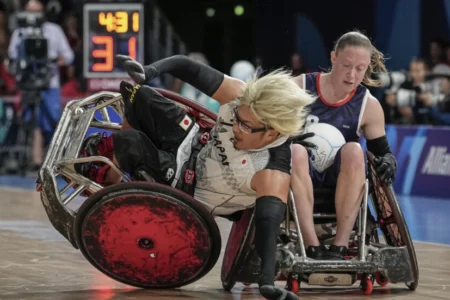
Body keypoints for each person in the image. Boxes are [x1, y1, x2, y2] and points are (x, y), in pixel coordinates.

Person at [74, 54, 315, 300]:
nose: (235, 127)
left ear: (271, 133)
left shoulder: (271, 172)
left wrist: (266, 283)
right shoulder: (240, 96)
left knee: (129, 143)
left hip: (188, 187)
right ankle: (118, 169)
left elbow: (267, 229)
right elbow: (186, 66)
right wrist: (149, 71)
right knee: (139, 94)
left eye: (244, 125)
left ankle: (108, 188)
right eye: (237, 118)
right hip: (192, 140)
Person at [290, 31, 398, 260]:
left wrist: (388, 161)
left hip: (342, 179)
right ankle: (311, 245)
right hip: (299, 172)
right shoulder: (299, 87)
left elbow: (382, 153)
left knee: (355, 150)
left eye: (360, 68)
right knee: (295, 151)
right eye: (347, 65)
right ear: (333, 58)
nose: (352, 75)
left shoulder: (369, 105)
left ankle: (339, 246)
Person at [8, 0, 74, 167]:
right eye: (30, 11)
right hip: (28, 82)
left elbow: (69, 55)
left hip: (49, 82)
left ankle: (58, 160)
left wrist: (53, 61)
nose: (33, 15)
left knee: (53, 120)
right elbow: (11, 56)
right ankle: (36, 162)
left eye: (36, 11)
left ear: (43, 12)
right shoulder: (20, 32)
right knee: (33, 122)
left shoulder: (54, 30)